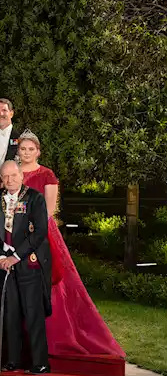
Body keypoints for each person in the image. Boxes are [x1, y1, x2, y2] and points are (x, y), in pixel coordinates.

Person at [16, 132, 123, 358]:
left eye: (30, 149)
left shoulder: (46, 174)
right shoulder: (12, 173)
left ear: (38, 151)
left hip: (41, 232)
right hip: (15, 232)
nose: (26, 153)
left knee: (49, 280)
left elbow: (49, 209)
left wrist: (34, 231)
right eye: (22, 149)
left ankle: (54, 335)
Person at [0, 161, 52, 374]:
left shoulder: (35, 198)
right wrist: (0, 256)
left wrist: (16, 256)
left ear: (21, 175)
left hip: (28, 261)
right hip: (5, 262)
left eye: (13, 176)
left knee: (33, 312)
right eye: (5, 177)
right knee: (10, 312)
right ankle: (13, 359)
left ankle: (40, 362)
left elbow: (40, 232)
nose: (10, 180)